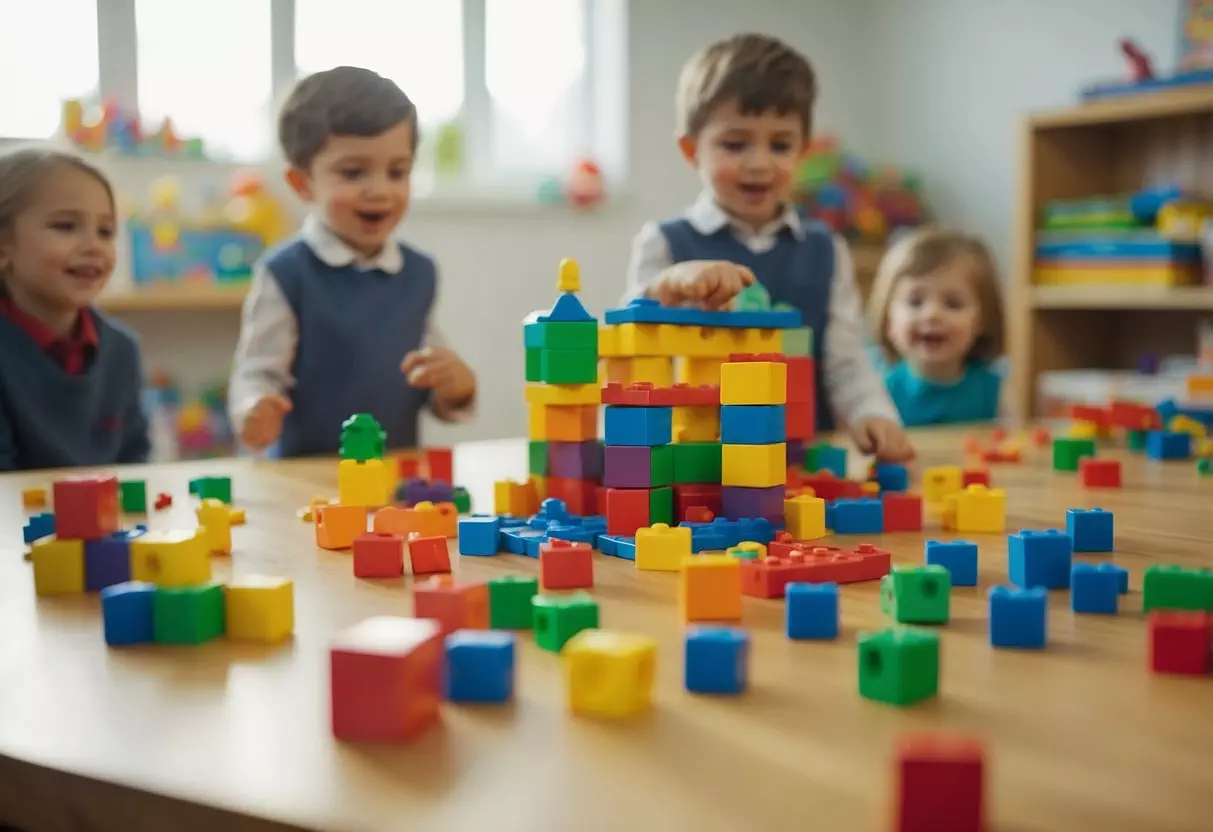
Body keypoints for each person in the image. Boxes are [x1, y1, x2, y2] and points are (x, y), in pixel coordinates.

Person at [624, 33, 913, 461]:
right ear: (691, 150)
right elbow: (628, 344)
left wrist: (873, 413)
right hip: (691, 460)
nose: (758, 163)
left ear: (803, 152)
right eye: (735, 143)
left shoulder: (825, 249)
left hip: (797, 460)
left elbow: (846, 357)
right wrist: (667, 285)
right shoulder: (664, 242)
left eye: (779, 144)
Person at [229, 66, 476, 457]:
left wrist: (458, 389)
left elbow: (429, 379)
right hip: (306, 483)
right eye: (353, 172)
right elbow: (257, 372)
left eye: (397, 172)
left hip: (393, 479)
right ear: (302, 183)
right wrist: (253, 408)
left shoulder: (419, 274)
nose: (379, 190)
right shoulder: (285, 274)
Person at [0, 147, 149, 470]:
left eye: (105, 231)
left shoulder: (122, 350)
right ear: (3, 246)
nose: (93, 246)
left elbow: (136, 463)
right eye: (66, 226)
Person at [867, 227, 1006, 426]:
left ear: (981, 321)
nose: (932, 314)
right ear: (888, 319)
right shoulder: (877, 393)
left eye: (953, 303)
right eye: (915, 302)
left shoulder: (998, 391)